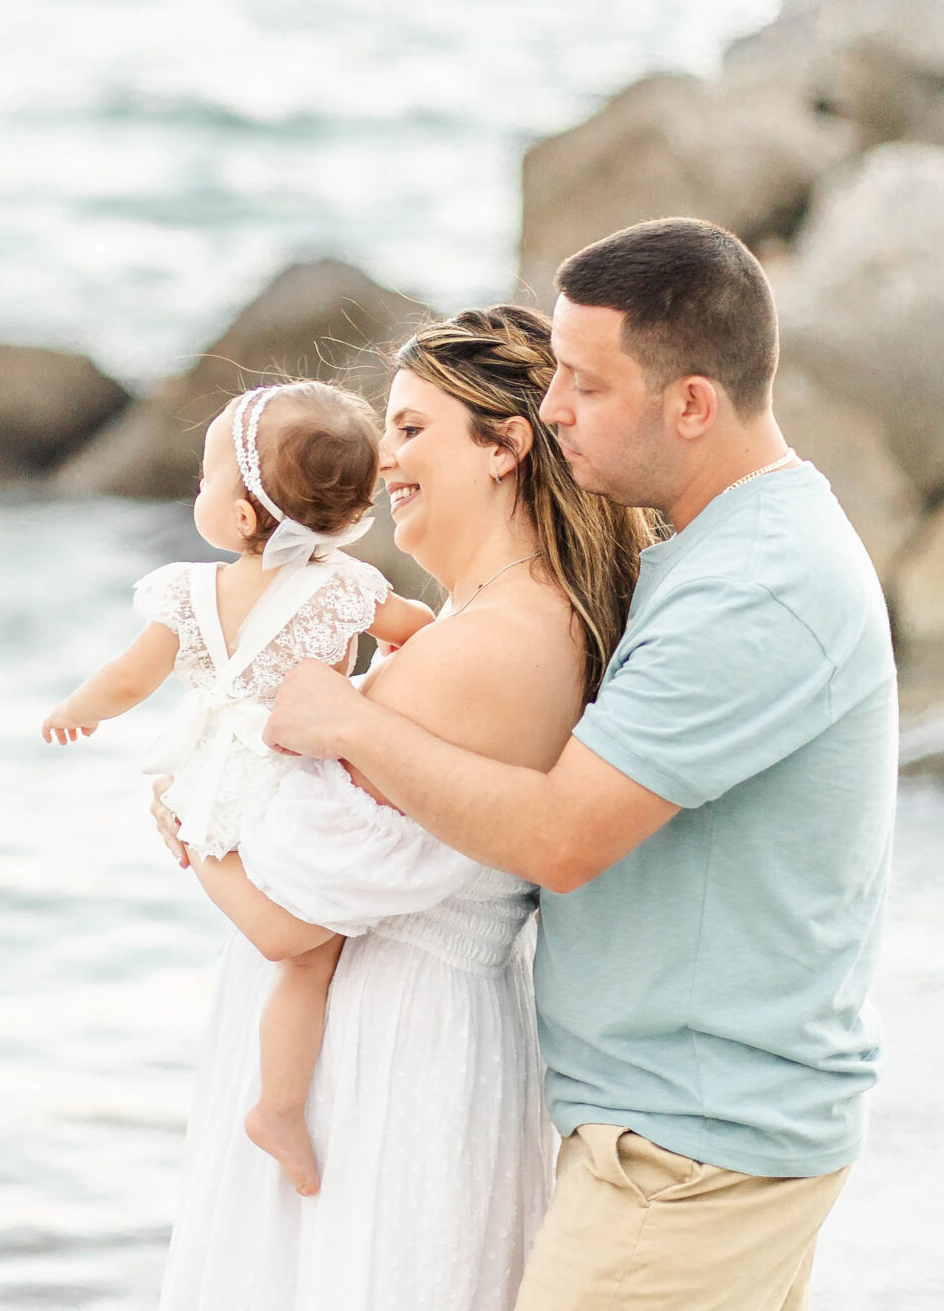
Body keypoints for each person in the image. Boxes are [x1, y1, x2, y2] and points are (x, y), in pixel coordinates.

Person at [265, 217, 898, 1311]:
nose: (550, 410)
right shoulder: (715, 550)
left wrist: (351, 723)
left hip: (689, 1154)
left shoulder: (754, 585)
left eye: (585, 386)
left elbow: (563, 835)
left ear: (691, 404)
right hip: (700, 1126)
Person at [151, 308, 653, 1310]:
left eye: (414, 429)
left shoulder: (493, 644)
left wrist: (182, 820)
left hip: (391, 1064)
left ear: (504, 446)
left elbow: (293, 910)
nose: (384, 461)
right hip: (390, 1042)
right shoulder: (483, 620)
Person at [43, 380, 434, 1195]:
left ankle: (275, 1107)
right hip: (299, 784)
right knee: (310, 952)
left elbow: (128, 677)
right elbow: (423, 635)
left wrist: (78, 709)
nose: (198, 487)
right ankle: (279, 1106)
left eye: (206, 477)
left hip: (212, 779)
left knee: (279, 919)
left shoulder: (187, 592)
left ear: (247, 516)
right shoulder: (345, 588)